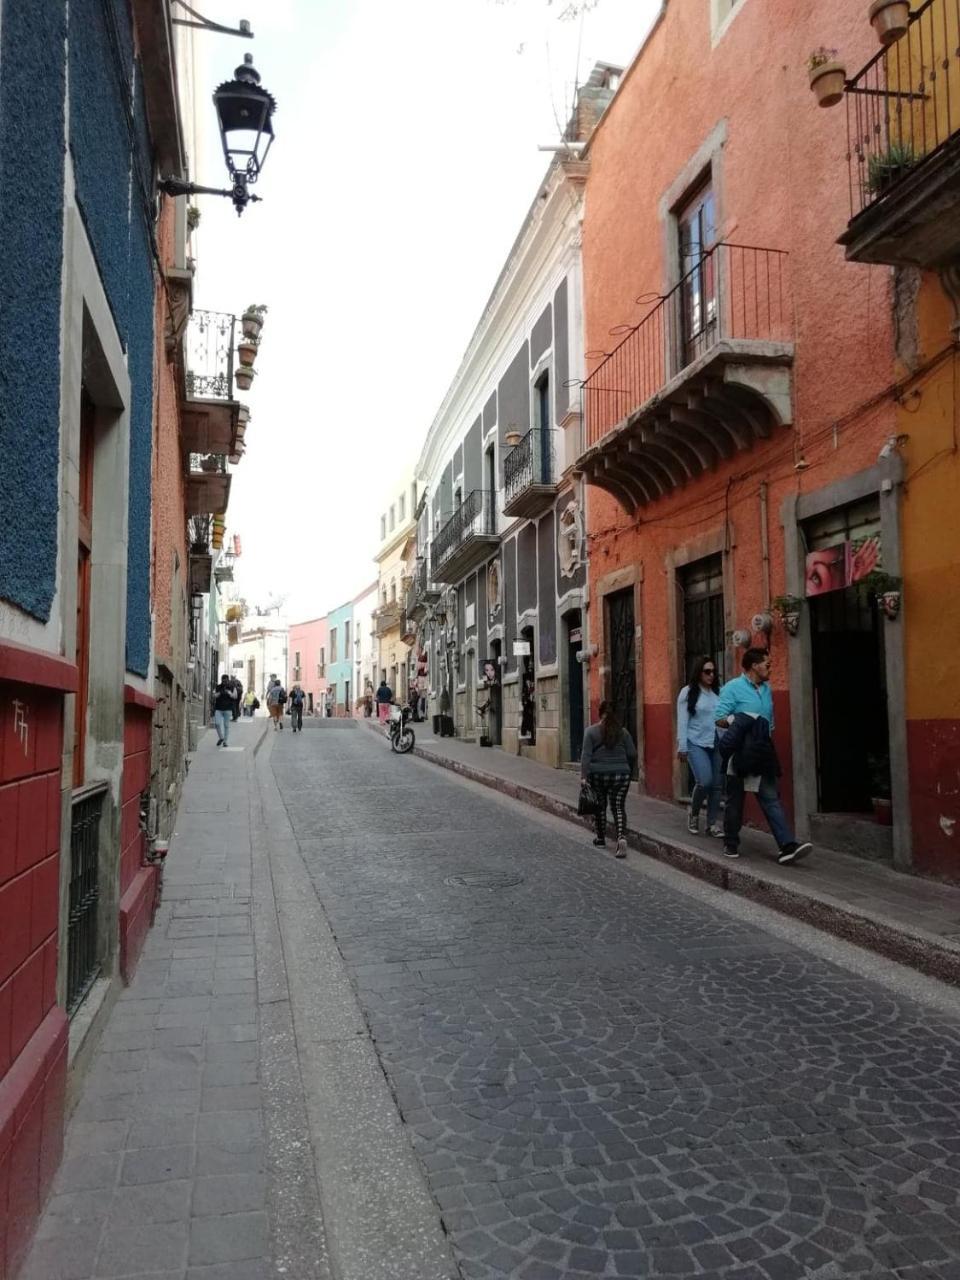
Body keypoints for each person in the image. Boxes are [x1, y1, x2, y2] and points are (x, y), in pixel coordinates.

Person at [715, 647, 812, 865]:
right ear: (754, 666)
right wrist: (740, 720)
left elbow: (771, 721)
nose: (771, 668)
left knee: (770, 797)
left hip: (762, 750)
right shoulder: (733, 688)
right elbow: (719, 718)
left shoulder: (767, 689)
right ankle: (730, 841)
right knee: (735, 801)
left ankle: (787, 845)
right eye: (767, 664)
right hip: (739, 752)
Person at [580, 701, 638, 858]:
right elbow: (632, 754)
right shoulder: (623, 732)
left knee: (600, 806)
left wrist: (584, 777)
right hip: (621, 774)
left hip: (598, 774)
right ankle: (621, 838)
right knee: (618, 806)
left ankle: (600, 839)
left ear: (600, 713)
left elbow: (586, 756)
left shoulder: (591, 732)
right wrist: (628, 769)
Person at [676, 655, 723, 837]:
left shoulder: (718, 693)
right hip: (695, 742)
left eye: (713, 672)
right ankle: (694, 813)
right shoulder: (688, 692)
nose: (711, 675)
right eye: (707, 671)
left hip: (717, 742)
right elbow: (682, 720)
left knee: (717, 785)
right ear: (699, 672)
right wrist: (682, 746)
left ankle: (712, 824)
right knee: (705, 781)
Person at [212, 674, 237, 747]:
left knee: (226, 726)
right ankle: (221, 737)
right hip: (218, 708)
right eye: (223, 681)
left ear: (228, 680)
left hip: (228, 709)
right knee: (217, 724)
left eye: (225, 681)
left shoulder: (232, 687)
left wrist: (229, 693)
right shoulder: (218, 687)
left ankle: (225, 741)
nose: (224, 682)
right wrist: (219, 693)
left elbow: (235, 696)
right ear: (221, 680)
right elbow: (214, 695)